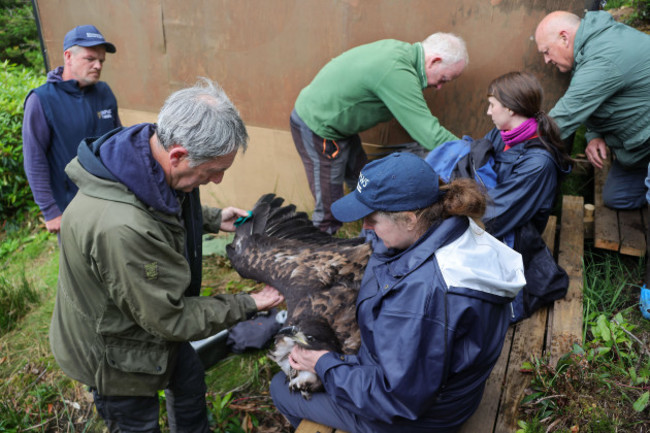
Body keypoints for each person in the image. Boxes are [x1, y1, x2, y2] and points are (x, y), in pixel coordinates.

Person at [49, 79, 284, 433]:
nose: (217, 181)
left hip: (151, 326)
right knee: (137, 424)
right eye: (212, 172)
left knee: (189, 381)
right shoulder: (122, 229)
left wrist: (209, 218)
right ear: (178, 155)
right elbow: (170, 318)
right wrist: (251, 303)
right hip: (116, 356)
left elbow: (161, 203)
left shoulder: (143, 155)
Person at [270, 152, 526, 433]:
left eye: (372, 219)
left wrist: (325, 364)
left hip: (418, 417)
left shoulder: (425, 296)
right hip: (444, 393)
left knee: (281, 389)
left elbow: (396, 399)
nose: (364, 226)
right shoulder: (447, 229)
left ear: (409, 219)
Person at [291, 33, 469, 234]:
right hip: (318, 127)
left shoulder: (400, 53)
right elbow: (430, 134)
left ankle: (369, 241)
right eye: (443, 79)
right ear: (434, 61)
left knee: (368, 186)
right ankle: (314, 259)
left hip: (342, 126)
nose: (438, 87)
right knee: (328, 212)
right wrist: (471, 152)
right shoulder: (396, 71)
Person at [535, 10, 650, 210]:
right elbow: (599, 97)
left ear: (564, 38)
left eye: (546, 51)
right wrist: (595, 134)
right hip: (639, 145)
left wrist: (509, 146)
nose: (546, 60)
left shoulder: (604, 58)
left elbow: (564, 116)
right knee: (617, 198)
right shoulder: (593, 45)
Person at [22, 24, 121, 234]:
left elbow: (118, 141)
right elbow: (34, 158)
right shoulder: (42, 100)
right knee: (82, 266)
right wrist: (50, 211)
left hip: (112, 199)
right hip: (72, 209)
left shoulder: (104, 92)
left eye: (101, 60)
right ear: (68, 56)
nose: (98, 66)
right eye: (90, 59)